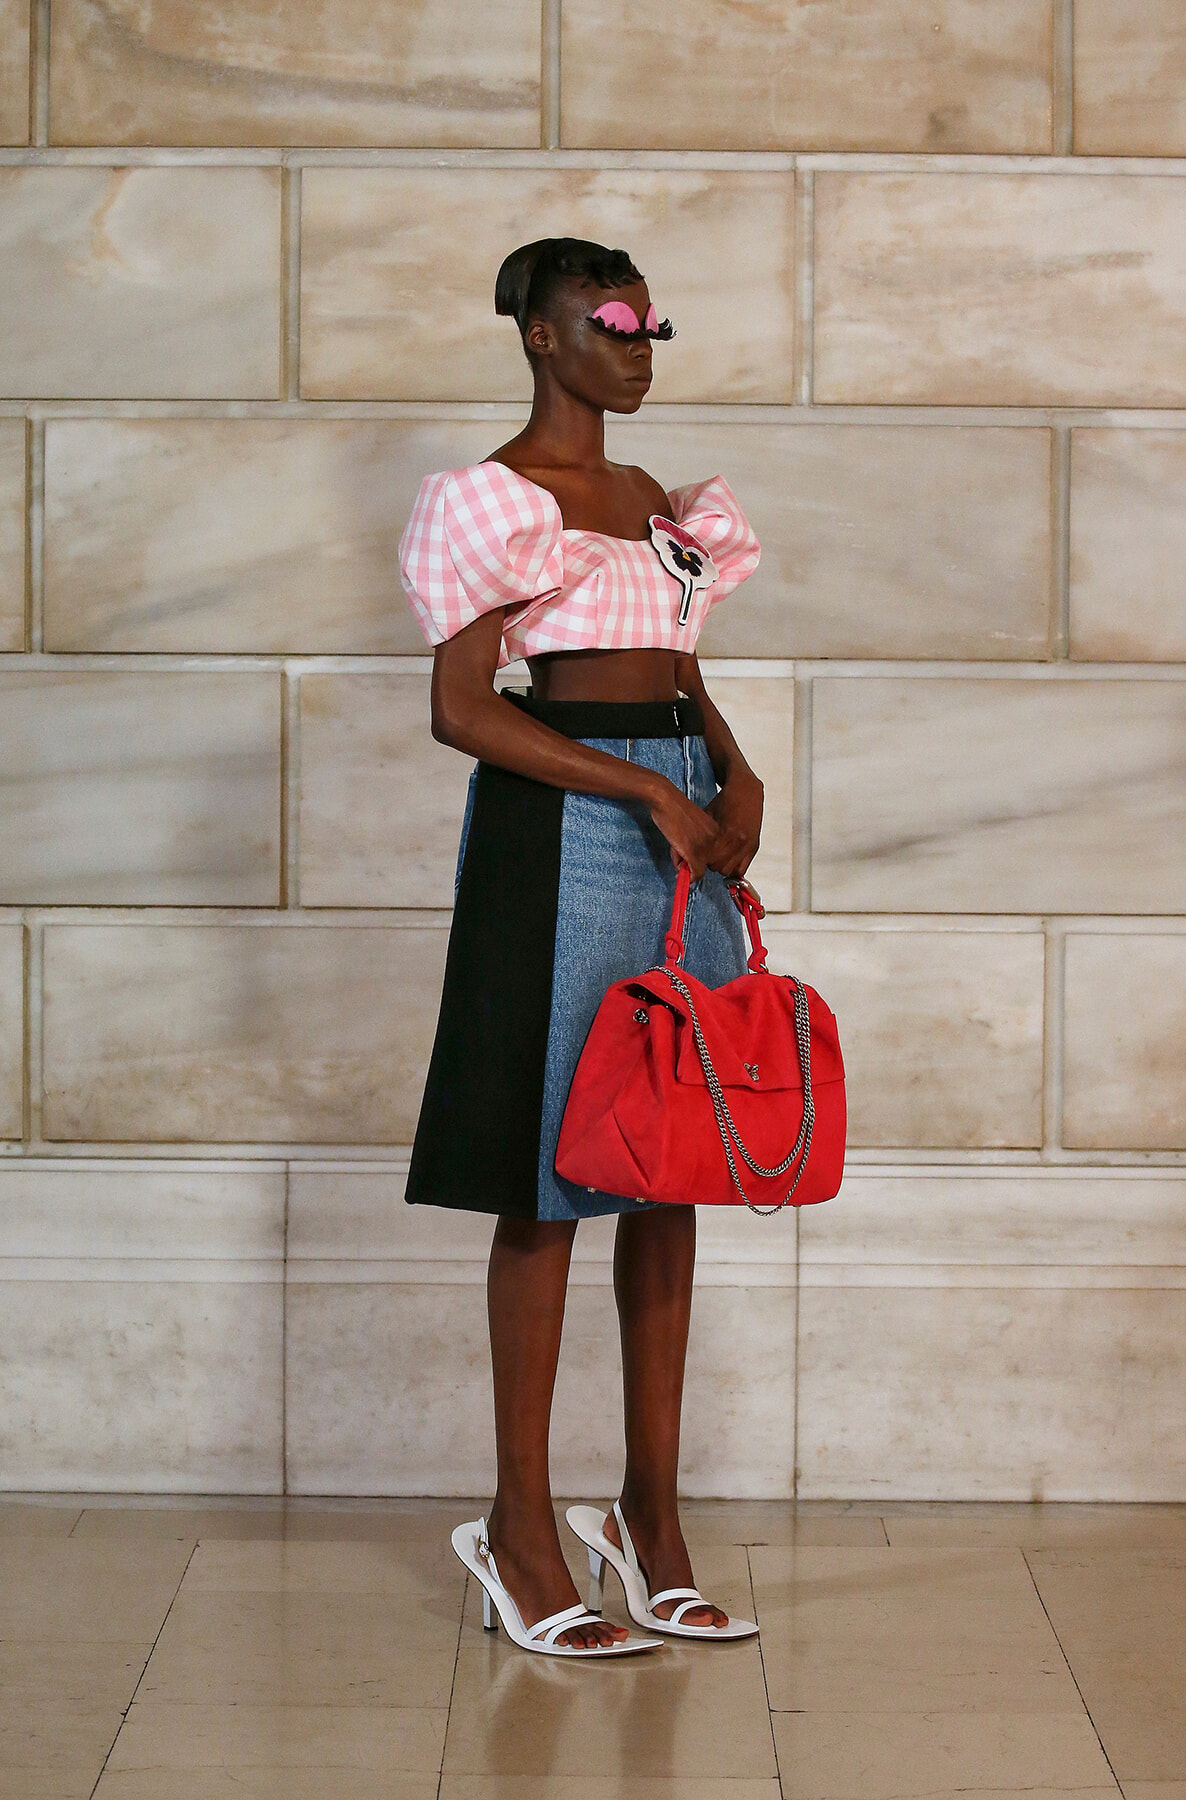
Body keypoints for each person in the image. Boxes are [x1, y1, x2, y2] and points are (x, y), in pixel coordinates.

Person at [399, 237, 765, 1657]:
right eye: (611, 324)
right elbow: (464, 709)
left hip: (680, 832)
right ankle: (520, 1529)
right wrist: (652, 793)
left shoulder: (654, 503)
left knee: (669, 1161)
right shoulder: (501, 498)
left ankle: (652, 1522)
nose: (641, 345)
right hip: (559, 834)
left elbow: (677, 672)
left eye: (652, 323)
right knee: (551, 1176)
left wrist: (732, 777)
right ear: (542, 339)